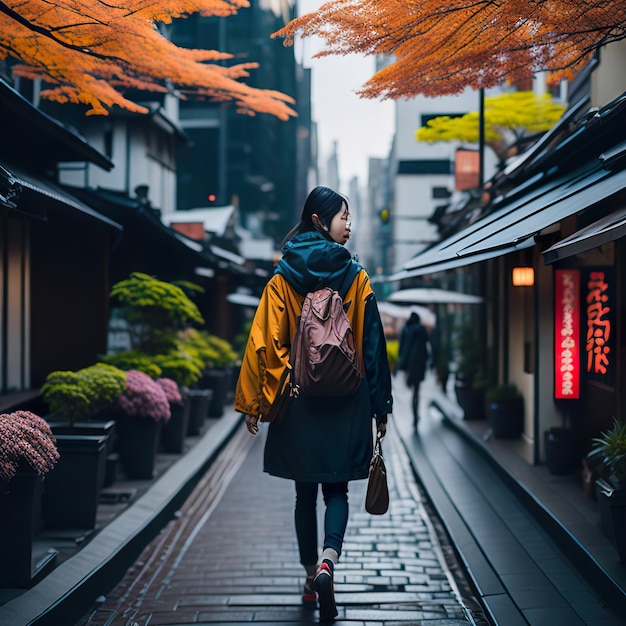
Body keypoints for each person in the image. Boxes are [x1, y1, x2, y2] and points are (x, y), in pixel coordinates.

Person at [234, 186, 393, 623]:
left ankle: (309, 579)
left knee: (303, 494)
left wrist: (253, 401)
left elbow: (263, 341)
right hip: (348, 400)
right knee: (336, 488)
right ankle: (329, 562)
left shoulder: (283, 277)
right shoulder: (356, 276)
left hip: (297, 400)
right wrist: (382, 406)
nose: (350, 224)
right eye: (344, 216)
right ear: (321, 220)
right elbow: (373, 345)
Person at [397, 311, 430, 430]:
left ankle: (415, 414)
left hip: (410, 364)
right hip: (419, 364)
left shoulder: (406, 330)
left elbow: (402, 349)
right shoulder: (422, 330)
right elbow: (427, 348)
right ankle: (416, 414)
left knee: (413, 390)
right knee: (416, 390)